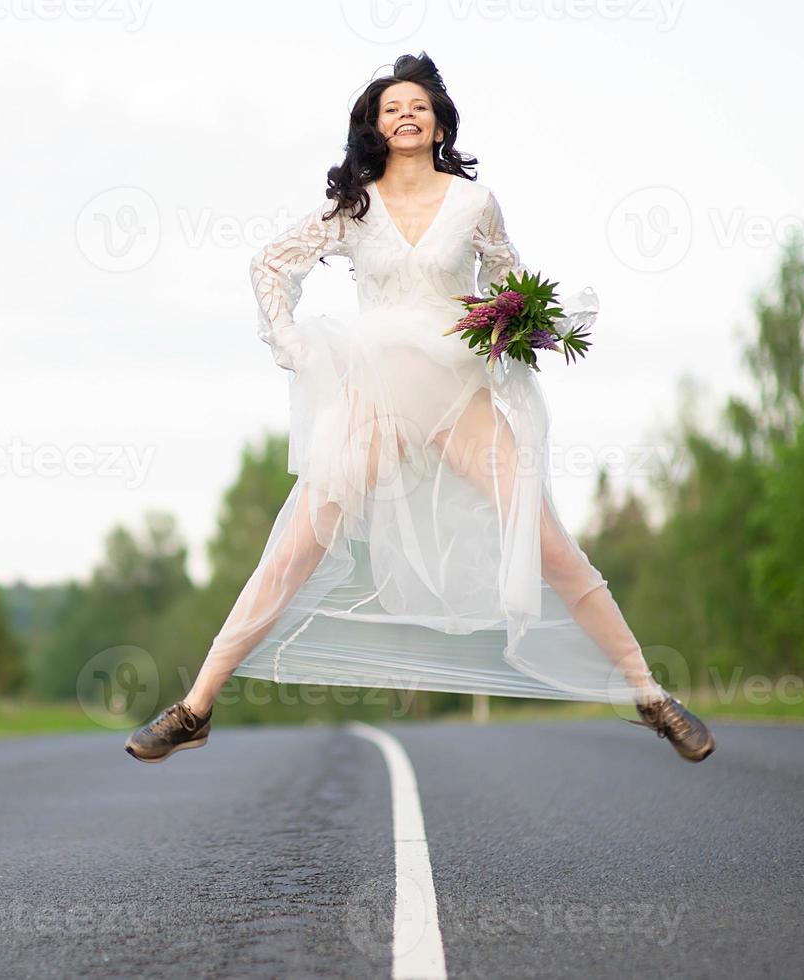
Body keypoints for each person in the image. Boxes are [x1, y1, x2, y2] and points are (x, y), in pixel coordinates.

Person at [126, 52, 714, 765]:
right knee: (293, 551)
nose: (406, 115)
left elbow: (509, 287)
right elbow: (269, 266)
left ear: (438, 124)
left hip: (458, 396)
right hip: (376, 398)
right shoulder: (354, 206)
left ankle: (651, 696)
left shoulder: (475, 203)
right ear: (376, 126)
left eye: (419, 107)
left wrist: (541, 325)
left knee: (551, 545)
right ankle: (195, 708)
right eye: (392, 108)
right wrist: (290, 345)